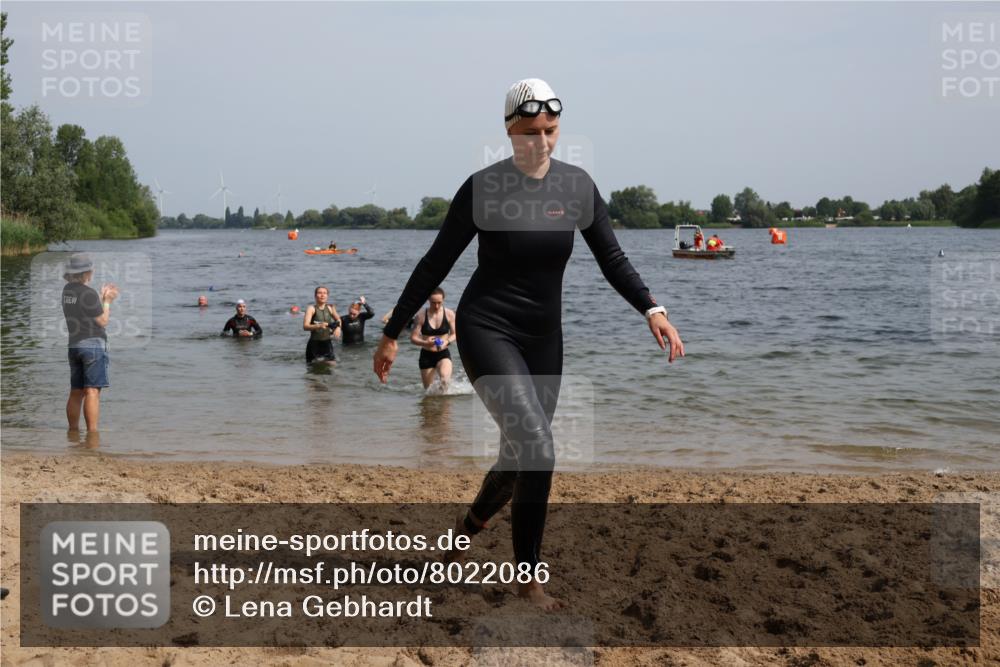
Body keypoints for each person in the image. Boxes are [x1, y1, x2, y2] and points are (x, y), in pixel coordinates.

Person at [373, 78, 684, 611]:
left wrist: (652, 309)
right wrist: (392, 333)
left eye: (551, 130)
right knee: (540, 448)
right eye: (530, 131)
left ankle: (468, 526)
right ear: (508, 130)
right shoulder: (483, 188)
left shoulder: (577, 187)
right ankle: (529, 579)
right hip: (486, 328)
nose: (541, 141)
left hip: (545, 338)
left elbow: (613, 259)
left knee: (520, 456)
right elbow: (435, 263)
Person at [62, 253, 118, 434]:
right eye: (91, 270)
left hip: (74, 345)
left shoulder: (67, 291)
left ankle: (73, 432)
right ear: (86, 272)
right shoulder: (88, 293)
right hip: (92, 345)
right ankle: (92, 435)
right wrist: (108, 302)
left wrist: (100, 299)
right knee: (92, 392)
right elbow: (102, 321)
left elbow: (84, 311)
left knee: (76, 392)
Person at [411, 288, 457, 389]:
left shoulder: (449, 314)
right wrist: (425, 342)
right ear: (428, 301)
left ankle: (445, 404)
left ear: (443, 300)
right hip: (426, 356)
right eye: (433, 303)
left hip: (443, 353)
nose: (436, 306)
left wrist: (446, 341)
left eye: (439, 303)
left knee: (444, 380)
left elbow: (455, 334)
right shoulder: (421, 316)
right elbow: (413, 338)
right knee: (429, 392)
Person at [303, 286, 341, 363]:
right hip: (314, 344)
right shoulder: (311, 308)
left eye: (325, 293)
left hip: (327, 343)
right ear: (315, 296)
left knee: (332, 366)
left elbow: (338, 320)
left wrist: (338, 328)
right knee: (314, 370)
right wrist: (319, 325)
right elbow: (305, 326)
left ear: (327, 296)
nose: (322, 295)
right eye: (319, 293)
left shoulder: (330, 308)